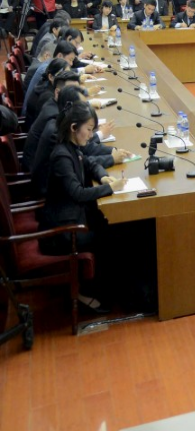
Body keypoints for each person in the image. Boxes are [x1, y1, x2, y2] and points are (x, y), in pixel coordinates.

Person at [40, 101, 126, 313]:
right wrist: (111, 189)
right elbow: (78, 193)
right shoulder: (61, 155)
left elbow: (90, 163)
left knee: (112, 227)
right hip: (63, 231)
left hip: (73, 216)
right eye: (88, 130)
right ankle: (92, 292)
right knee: (111, 235)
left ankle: (109, 288)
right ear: (73, 128)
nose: (90, 135)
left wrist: (104, 177)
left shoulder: (72, 148)